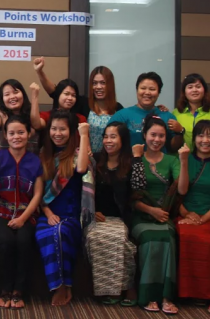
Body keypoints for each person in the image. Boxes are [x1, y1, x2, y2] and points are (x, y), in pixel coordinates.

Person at [0, 116, 44, 310]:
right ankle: (5, 290)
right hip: (0, 213)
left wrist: (23, 219)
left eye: (21, 132)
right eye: (11, 133)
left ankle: (19, 291)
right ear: (5, 136)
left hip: (27, 215)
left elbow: (38, 194)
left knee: (25, 241)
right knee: (6, 241)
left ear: (28, 134)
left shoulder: (35, 160)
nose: (16, 136)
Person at [131, 115, 189, 314]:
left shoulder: (172, 160)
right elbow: (130, 197)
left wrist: (183, 161)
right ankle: (148, 295)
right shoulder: (136, 158)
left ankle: (166, 296)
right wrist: (151, 210)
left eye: (162, 136)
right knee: (150, 238)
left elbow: (181, 190)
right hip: (141, 215)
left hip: (165, 215)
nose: (157, 139)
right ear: (144, 135)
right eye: (153, 135)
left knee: (167, 236)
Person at [35, 111, 90, 306]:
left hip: (71, 215)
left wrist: (83, 136)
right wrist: (48, 213)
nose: (57, 133)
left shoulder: (77, 154)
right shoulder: (44, 155)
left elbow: (82, 168)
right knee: (47, 234)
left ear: (71, 131)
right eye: (54, 128)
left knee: (61, 232)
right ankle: (60, 286)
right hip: (47, 213)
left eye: (63, 129)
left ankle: (64, 286)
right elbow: (38, 194)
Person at [176, 120, 210, 314]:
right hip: (184, 214)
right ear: (194, 138)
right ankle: (185, 292)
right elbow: (175, 194)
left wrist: (202, 219)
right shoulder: (183, 159)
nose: (205, 140)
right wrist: (186, 214)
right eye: (200, 135)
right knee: (183, 235)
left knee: (206, 240)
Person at [85, 121, 141, 306]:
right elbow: (84, 190)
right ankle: (111, 290)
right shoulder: (95, 160)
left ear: (123, 140)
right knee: (96, 236)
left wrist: (139, 160)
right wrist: (92, 211)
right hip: (97, 217)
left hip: (122, 217)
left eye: (113, 136)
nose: (108, 141)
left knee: (121, 239)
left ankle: (124, 288)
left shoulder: (131, 162)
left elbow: (138, 190)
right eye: (105, 137)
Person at [33, 58, 124, 153]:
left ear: (110, 85)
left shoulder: (118, 109)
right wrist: (40, 72)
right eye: (94, 83)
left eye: (103, 83)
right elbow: (55, 92)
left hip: (111, 158)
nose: (98, 87)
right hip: (85, 157)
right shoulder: (83, 103)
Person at [110, 72, 182, 152]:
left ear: (158, 93)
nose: (147, 92)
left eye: (152, 89)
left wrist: (180, 132)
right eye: (143, 88)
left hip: (158, 163)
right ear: (137, 90)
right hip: (128, 163)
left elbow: (174, 148)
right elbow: (109, 141)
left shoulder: (168, 117)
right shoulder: (121, 116)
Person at [0, 79, 38, 153]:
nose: (12, 97)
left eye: (15, 92)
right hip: (5, 163)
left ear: (23, 94)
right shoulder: (2, 115)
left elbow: (37, 124)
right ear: (2, 99)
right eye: (7, 94)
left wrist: (34, 96)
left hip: (31, 162)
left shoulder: (32, 114)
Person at [172, 74, 210, 150]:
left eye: (198, 86)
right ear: (184, 92)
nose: (194, 90)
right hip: (181, 158)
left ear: (204, 90)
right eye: (190, 87)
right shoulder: (176, 113)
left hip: (205, 158)